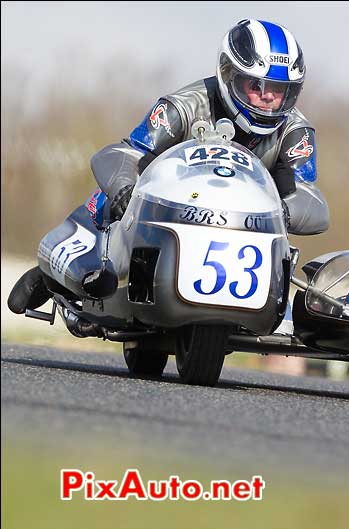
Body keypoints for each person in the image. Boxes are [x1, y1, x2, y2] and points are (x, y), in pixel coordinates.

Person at [8, 18, 329, 315]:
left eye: (278, 90)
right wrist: (124, 191)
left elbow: (311, 198)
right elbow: (122, 154)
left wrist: (282, 213)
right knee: (109, 221)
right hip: (170, 212)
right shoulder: (183, 106)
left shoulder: (296, 132)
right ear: (228, 75)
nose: (267, 98)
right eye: (255, 86)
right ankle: (64, 267)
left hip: (243, 227)